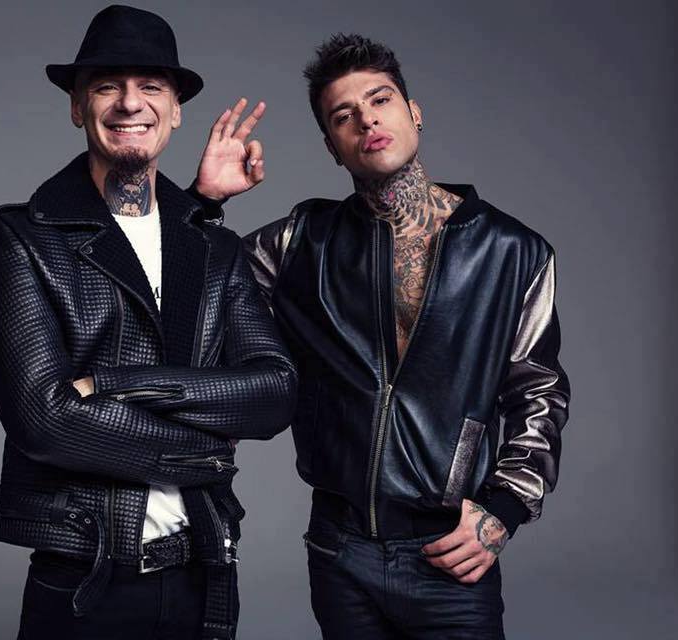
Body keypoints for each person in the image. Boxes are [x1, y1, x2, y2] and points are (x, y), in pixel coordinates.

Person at [191, 33, 571, 639]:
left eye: (380, 100)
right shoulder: (302, 241)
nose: (366, 119)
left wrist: (504, 508)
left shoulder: (514, 252)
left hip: (447, 552)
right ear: (332, 147)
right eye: (343, 116)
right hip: (338, 548)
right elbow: (195, 297)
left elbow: (539, 392)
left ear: (413, 112)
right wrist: (205, 203)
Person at [0, 6, 297, 639]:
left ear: (176, 111)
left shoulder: (212, 247)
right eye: (106, 86)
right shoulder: (24, 236)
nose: (129, 103)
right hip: (85, 577)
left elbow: (274, 391)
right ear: (77, 107)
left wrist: (113, 384)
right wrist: (207, 454)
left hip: (204, 571)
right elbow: (45, 419)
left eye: (151, 86)